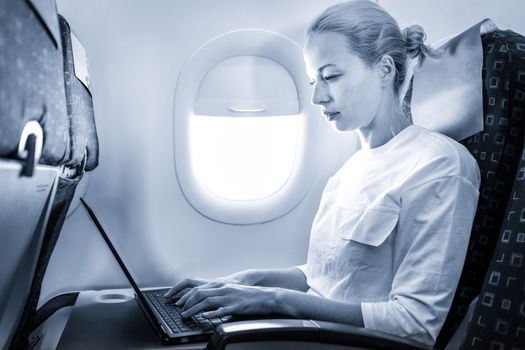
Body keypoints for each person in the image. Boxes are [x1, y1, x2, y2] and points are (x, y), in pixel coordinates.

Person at [165, 0, 480, 346]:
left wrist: (275, 301)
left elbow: (414, 323)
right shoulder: (352, 168)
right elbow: (326, 279)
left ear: (385, 70)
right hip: (311, 335)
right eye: (314, 80)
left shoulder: (440, 165)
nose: (316, 96)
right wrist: (248, 281)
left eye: (331, 76)